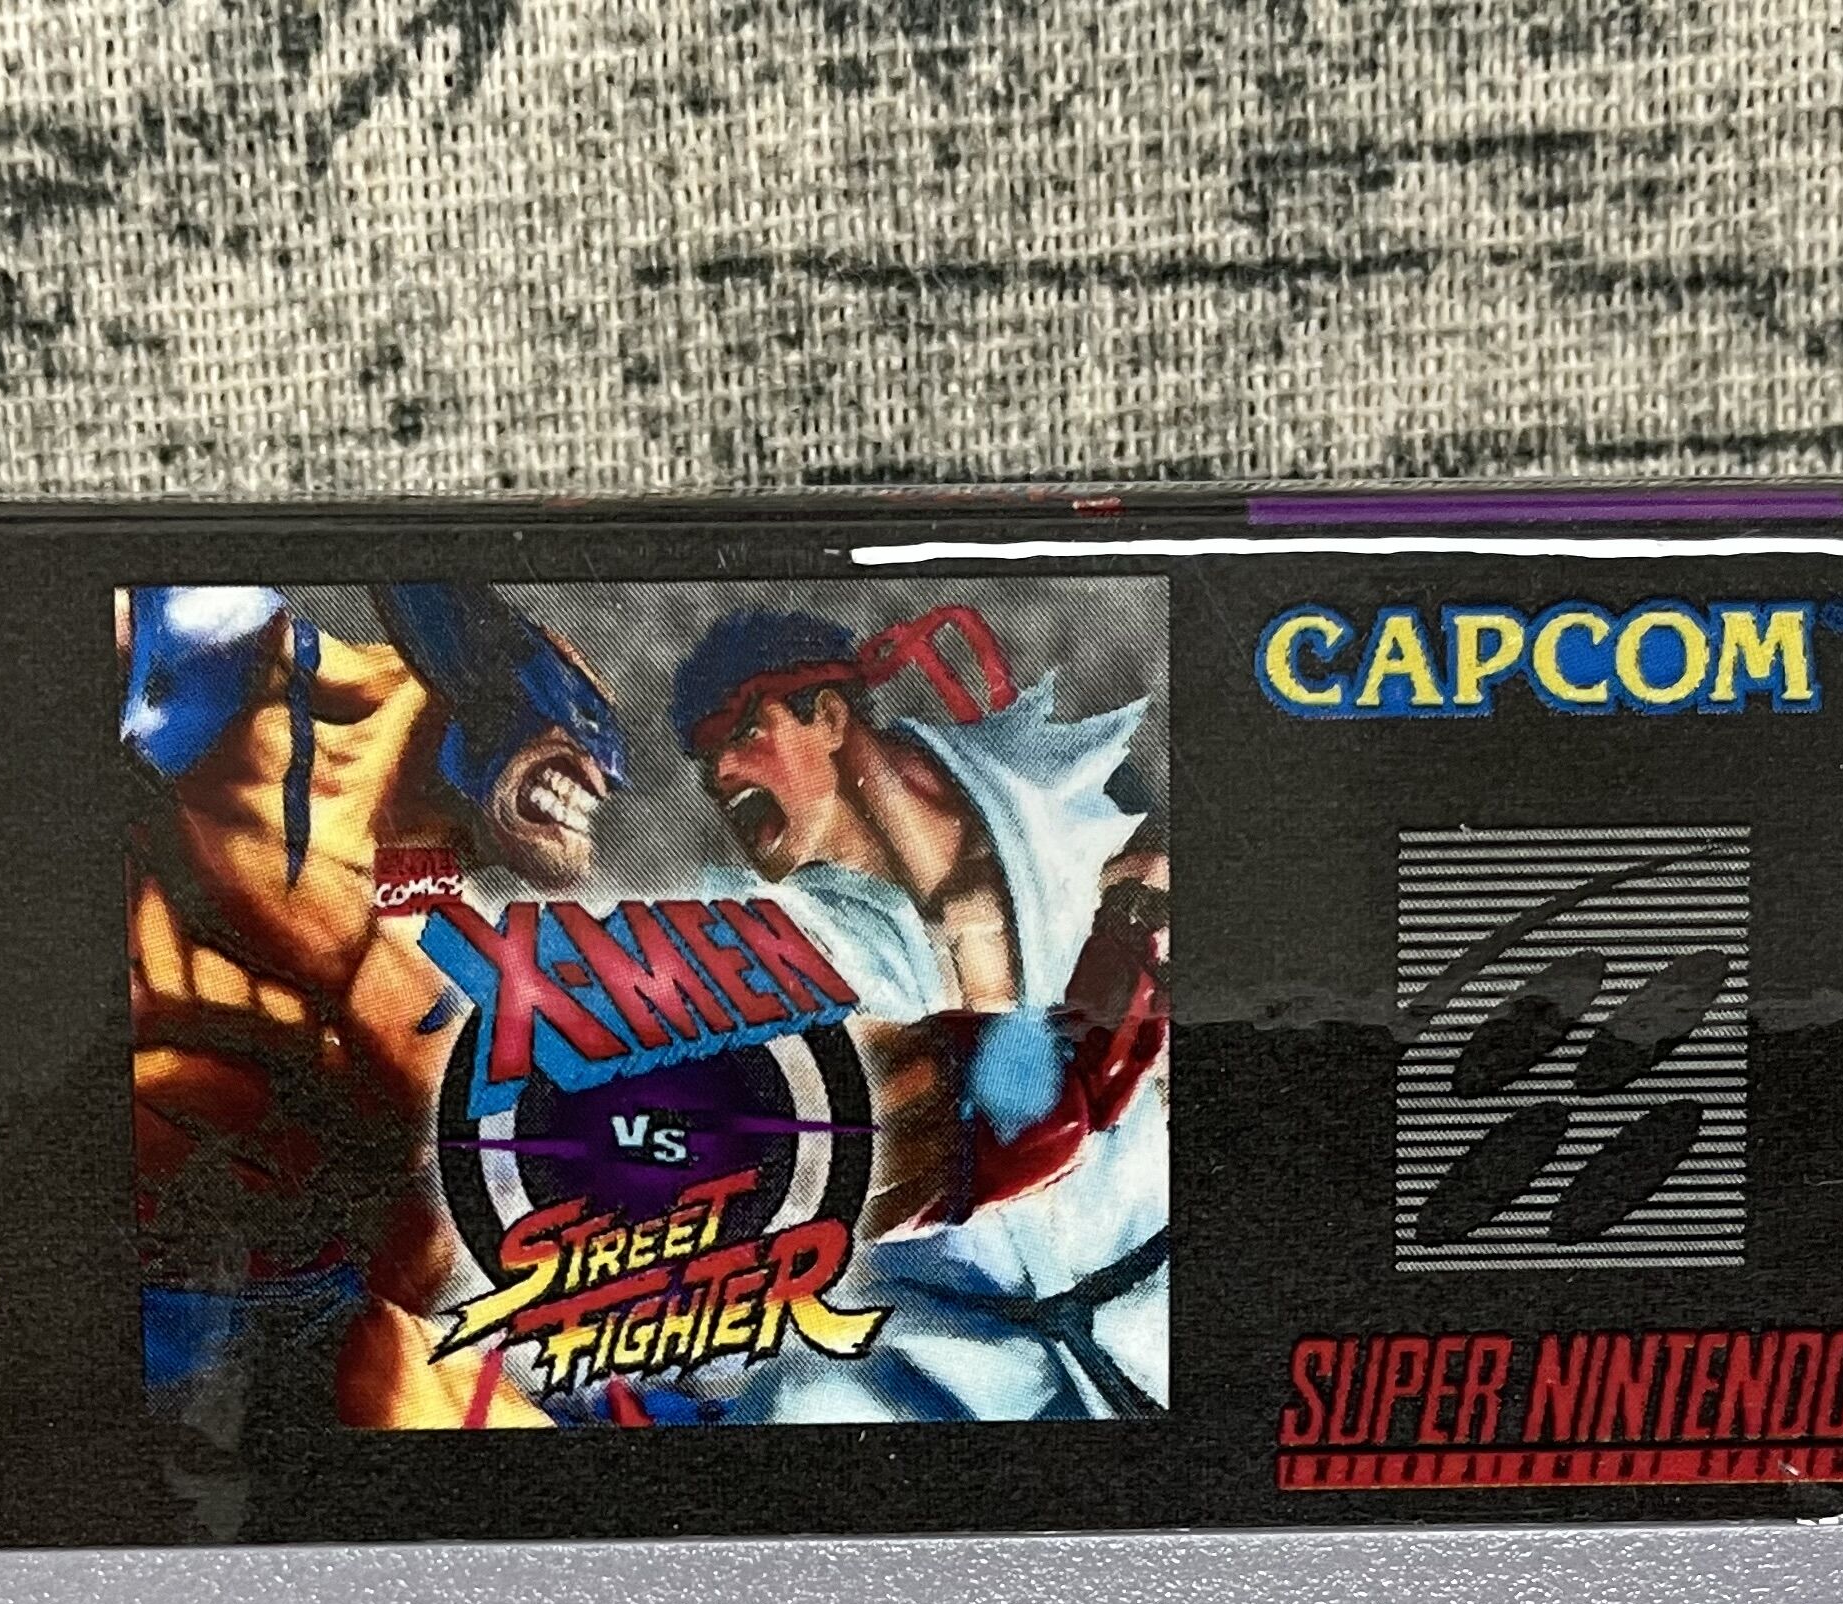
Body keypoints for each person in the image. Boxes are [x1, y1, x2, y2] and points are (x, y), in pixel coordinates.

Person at [119, 580, 624, 1436]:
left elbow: (415, 1203)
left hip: (298, 1296)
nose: (602, 779)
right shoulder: (245, 664)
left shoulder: (422, 908)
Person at [669, 604, 1170, 1422]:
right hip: (951, 1362)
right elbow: (1026, 1128)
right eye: (705, 757)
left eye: (742, 733)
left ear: (829, 717)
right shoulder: (776, 947)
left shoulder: (1053, 795)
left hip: (1157, 1310)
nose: (719, 774)